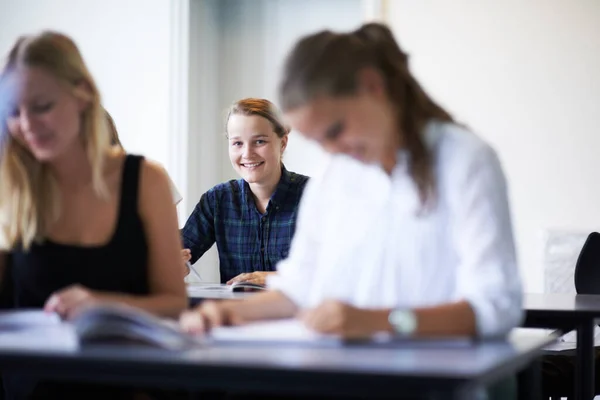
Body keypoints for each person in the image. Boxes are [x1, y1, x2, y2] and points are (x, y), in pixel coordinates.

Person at [181, 22, 522, 343]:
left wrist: (379, 322)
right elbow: (299, 288)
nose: (331, 152)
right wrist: (223, 313)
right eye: (319, 142)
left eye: (335, 131)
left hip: (443, 376)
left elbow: (497, 307)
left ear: (372, 87)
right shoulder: (338, 171)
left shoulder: (464, 160)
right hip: (352, 372)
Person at [0, 31, 187, 398]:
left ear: (83, 93)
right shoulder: (14, 183)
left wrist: (103, 304)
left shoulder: (146, 180)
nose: (27, 125)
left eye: (42, 106)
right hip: (32, 387)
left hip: (126, 384)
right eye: (14, 112)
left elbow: (174, 304)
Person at [180, 98, 309, 285]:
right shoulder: (217, 200)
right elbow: (176, 257)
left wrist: (276, 278)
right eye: (237, 143)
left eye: (259, 141)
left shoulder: (314, 196)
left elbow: (339, 272)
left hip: (301, 313)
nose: (247, 153)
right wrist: (174, 264)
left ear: (283, 143)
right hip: (236, 313)